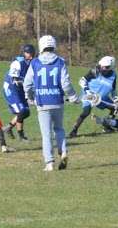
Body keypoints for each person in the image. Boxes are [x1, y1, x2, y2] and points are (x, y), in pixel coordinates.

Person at [23, 34, 78, 171]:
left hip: (42, 102)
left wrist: (29, 97)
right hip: (57, 101)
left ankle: (49, 163)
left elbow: (27, 84)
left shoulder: (35, 62)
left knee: (46, 134)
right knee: (59, 129)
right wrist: (72, 96)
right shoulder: (60, 61)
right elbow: (65, 83)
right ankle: (63, 151)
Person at [69, 56, 118, 138]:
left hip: (102, 98)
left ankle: (107, 127)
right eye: (102, 66)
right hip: (89, 96)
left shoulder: (113, 76)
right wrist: (87, 90)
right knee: (86, 112)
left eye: (105, 67)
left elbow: (113, 89)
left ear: (111, 67)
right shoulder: (95, 71)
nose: (102, 68)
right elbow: (82, 80)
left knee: (114, 108)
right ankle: (74, 130)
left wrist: (116, 100)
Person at [2, 43, 35, 142]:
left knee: (26, 112)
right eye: (29, 53)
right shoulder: (18, 62)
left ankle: (8, 127)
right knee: (23, 111)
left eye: (32, 52)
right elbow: (15, 79)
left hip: (20, 88)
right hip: (11, 88)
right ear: (24, 53)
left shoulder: (32, 62)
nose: (31, 54)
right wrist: (30, 85)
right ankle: (21, 136)